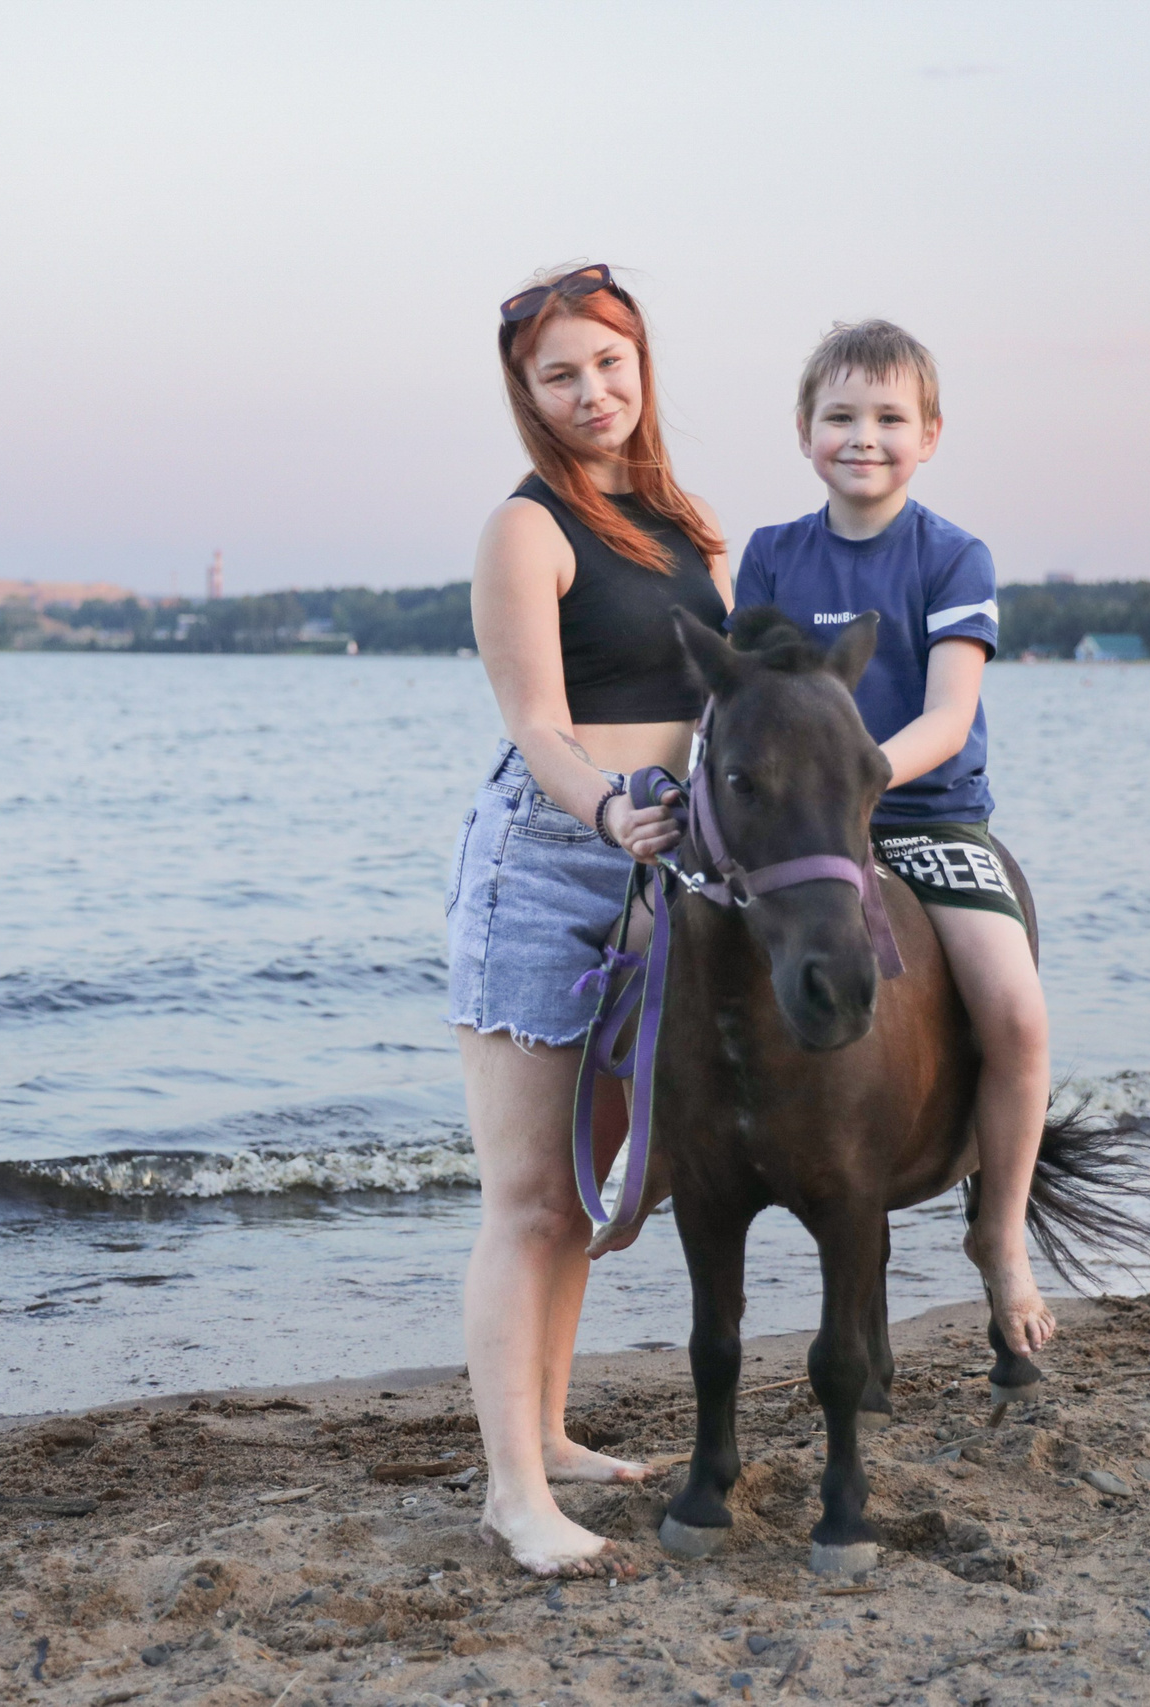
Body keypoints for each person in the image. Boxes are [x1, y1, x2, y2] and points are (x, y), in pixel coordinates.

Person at [446, 262, 731, 1577]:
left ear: (641, 364)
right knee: (523, 1195)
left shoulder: (687, 523)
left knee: (581, 1189)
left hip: (660, 870)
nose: (591, 392)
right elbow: (537, 726)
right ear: (527, 391)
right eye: (560, 374)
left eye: (608, 363)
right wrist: (614, 810)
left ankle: (548, 1434)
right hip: (553, 862)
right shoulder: (526, 528)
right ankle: (514, 1493)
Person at [732, 319, 1059, 1361]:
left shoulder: (951, 555)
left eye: (887, 419)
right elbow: (748, 705)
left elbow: (946, 716)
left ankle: (1000, 1236)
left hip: (924, 819)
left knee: (1015, 1013)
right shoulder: (773, 556)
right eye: (839, 417)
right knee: (668, 952)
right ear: (802, 431)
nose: (861, 437)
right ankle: (663, 1160)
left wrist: (853, 779)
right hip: (799, 837)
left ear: (929, 434)